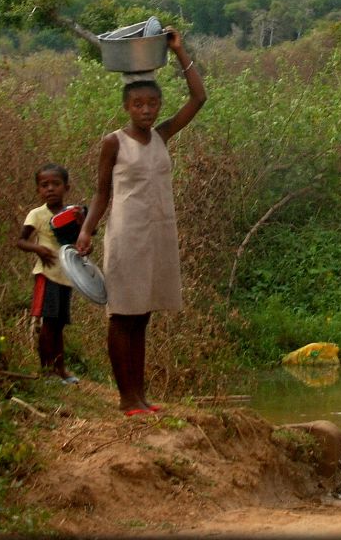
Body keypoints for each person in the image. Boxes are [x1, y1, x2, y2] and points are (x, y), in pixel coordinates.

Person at [77, 28, 205, 416]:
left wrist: (180, 51)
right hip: (126, 236)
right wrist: (87, 230)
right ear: (127, 107)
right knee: (122, 314)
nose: (147, 110)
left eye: (152, 103)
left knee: (143, 315)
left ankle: (140, 396)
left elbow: (199, 98)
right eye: (139, 104)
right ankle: (126, 398)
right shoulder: (113, 142)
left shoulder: (163, 135)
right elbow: (101, 193)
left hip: (159, 234)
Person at [15, 163, 81, 383]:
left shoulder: (71, 214)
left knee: (60, 323)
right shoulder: (37, 215)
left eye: (56, 184)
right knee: (49, 322)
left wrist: (83, 228)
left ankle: (60, 369)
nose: (50, 189)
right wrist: (38, 249)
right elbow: (21, 241)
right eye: (44, 185)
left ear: (67, 187)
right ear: (38, 190)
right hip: (47, 274)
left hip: (66, 275)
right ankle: (47, 371)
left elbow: (81, 238)